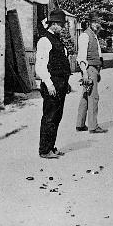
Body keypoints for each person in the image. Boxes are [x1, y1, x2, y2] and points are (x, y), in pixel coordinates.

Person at [36, 10, 71, 159]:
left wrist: (66, 83)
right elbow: (40, 66)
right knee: (49, 117)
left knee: (57, 116)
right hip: (52, 84)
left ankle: (51, 146)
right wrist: (49, 84)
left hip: (60, 83)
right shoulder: (44, 40)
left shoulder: (56, 39)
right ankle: (44, 150)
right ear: (54, 24)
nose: (63, 27)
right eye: (61, 24)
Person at [76, 15, 107, 133]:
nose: (96, 24)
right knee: (93, 97)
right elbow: (81, 57)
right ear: (89, 23)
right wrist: (84, 72)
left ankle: (80, 124)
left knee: (85, 95)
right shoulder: (85, 36)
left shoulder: (94, 36)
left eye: (98, 22)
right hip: (89, 69)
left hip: (94, 68)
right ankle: (93, 126)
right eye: (94, 22)